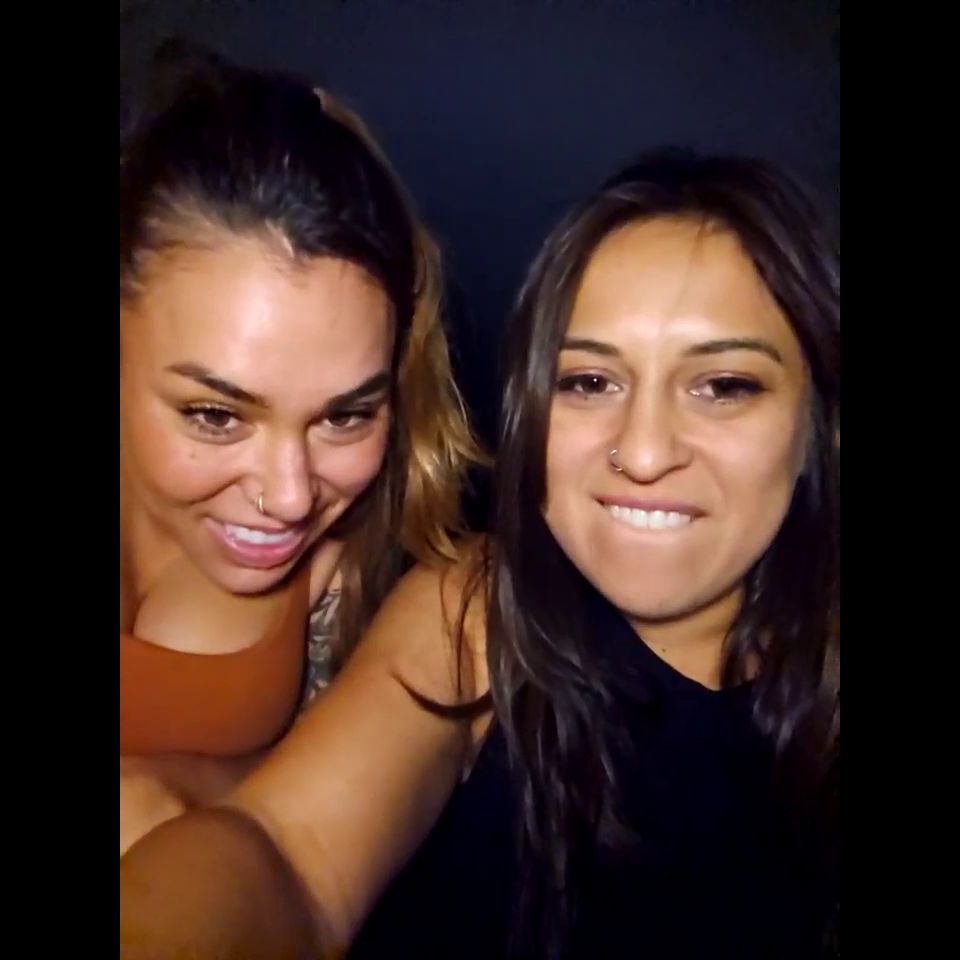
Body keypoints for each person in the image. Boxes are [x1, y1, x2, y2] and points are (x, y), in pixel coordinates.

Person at [120, 148, 840, 959]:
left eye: (724, 387)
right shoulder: (474, 613)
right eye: (589, 382)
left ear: (814, 423)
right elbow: (291, 856)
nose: (643, 452)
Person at [119, 42, 479, 855]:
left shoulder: (364, 551)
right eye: (215, 415)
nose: (291, 497)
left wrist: (173, 800)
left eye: (345, 416)